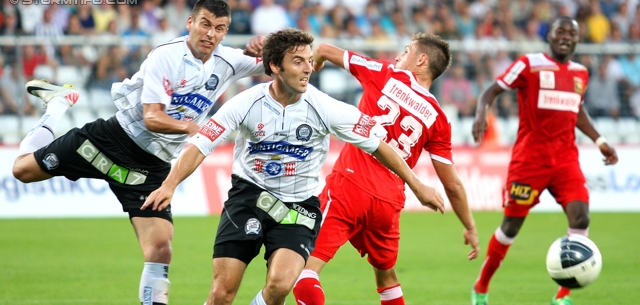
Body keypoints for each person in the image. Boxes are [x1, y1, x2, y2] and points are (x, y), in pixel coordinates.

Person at [140, 28, 446, 305]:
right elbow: (201, 145)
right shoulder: (245, 103)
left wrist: (418, 186)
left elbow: (381, 146)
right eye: (298, 61)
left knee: (280, 286)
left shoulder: (326, 107)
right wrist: (169, 184)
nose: (308, 69)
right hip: (248, 198)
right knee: (222, 293)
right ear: (275, 66)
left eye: (310, 61)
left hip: (298, 206)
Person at [12, 0, 266, 305]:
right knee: (21, 170)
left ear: (226, 32)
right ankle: (58, 105)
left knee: (160, 248)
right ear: (190, 23)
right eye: (205, 24)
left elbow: (282, 60)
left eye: (220, 28)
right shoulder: (166, 56)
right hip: (112, 139)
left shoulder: (228, 61)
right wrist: (190, 128)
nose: (211, 34)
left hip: (153, 166)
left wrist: (266, 45)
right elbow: (152, 117)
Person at [292, 34, 480, 305]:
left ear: (421, 60)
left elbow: (322, 49)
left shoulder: (385, 73)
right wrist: (470, 226)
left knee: (304, 268)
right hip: (388, 201)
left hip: (351, 183)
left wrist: (317, 63)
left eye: (405, 52)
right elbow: (452, 184)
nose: (397, 58)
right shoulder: (439, 118)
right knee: (387, 278)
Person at [470, 17, 619, 305]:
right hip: (529, 161)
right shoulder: (529, 64)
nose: (565, 36)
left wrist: (600, 141)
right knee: (510, 228)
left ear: (577, 39)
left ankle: (563, 295)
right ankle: (482, 286)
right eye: (560, 31)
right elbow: (492, 91)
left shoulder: (580, 73)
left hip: (565, 160)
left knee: (581, 217)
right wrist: (480, 113)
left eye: (571, 33)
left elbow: (576, 110)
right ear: (548, 36)